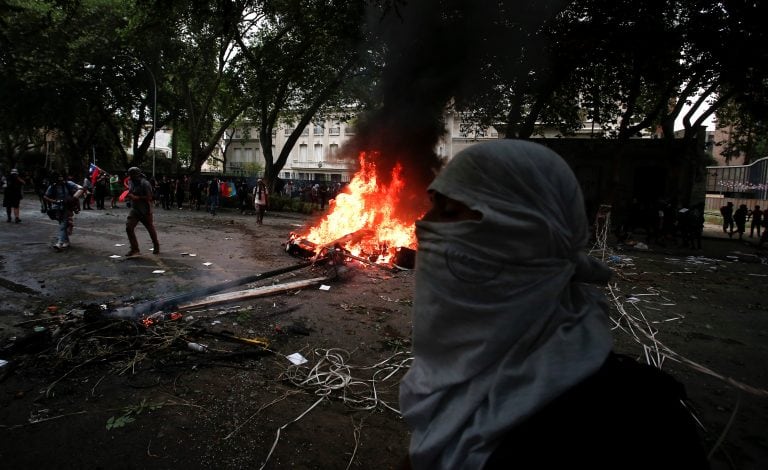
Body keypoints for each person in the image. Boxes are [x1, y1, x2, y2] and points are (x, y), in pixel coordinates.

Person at [398, 140, 709, 469]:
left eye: (449, 212)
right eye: (432, 207)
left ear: (528, 236)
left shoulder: (639, 423)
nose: (423, 227)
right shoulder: (443, 382)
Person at [124, 167, 160, 257]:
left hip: (145, 210)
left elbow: (150, 197)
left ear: (138, 175)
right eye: (130, 175)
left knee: (150, 228)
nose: (131, 177)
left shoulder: (145, 183)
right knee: (129, 227)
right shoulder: (130, 182)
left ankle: (156, 245)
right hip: (135, 209)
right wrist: (127, 197)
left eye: (133, 175)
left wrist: (138, 197)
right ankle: (134, 249)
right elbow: (130, 191)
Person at [43, 173, 84, 250]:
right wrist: (55, 201)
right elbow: (45, 196)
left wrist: (73, 199)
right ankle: (66, 241)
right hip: (57, 208)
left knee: (63, 224)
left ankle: (60, 243)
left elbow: (81, 189)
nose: (60, 180)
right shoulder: (53, 186)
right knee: (62, 224)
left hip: (67, 207)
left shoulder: (69, 184)